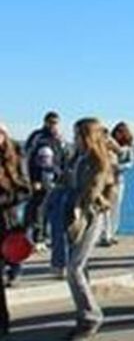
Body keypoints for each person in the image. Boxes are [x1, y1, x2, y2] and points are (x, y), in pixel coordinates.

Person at [65, 118, 117, 340]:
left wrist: (81, 203)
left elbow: (93, 192)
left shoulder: (99, 161)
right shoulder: (81, 158)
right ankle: (83, 316)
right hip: (76, 215)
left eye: (77, 135)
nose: (74, 139)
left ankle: (91, 316)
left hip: (89, 217)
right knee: (80, 268)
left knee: (74, 268)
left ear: (87, 136)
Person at [0, 123, 31, 336]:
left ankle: (2, 322)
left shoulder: (15, 158)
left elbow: (25, 190)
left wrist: (5, 197)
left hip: (5, 222)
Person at [24, 111, 65, 250]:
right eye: (51, 122)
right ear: (45, 121)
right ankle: (35, 238)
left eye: (56, 122)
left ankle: (46, 236)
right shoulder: (37, 137)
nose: (54, 125)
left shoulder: (59, 138)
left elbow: (63, 156)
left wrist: (63, 175)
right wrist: (33, 179)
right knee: (37, 208)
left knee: (51, 209)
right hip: (40, 178)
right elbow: (29, 158)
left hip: (55, 178)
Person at [99, 122, 134, 247]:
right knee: (105, 208)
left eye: (121, 132)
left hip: (118, 180)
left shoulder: (127, 148)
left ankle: (112, 233)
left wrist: (118, 167)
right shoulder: (108, 145)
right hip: (106, 181)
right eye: (117, 131)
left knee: (116, 207)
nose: (118, 134)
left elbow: (130, 163)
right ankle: (105, 234)